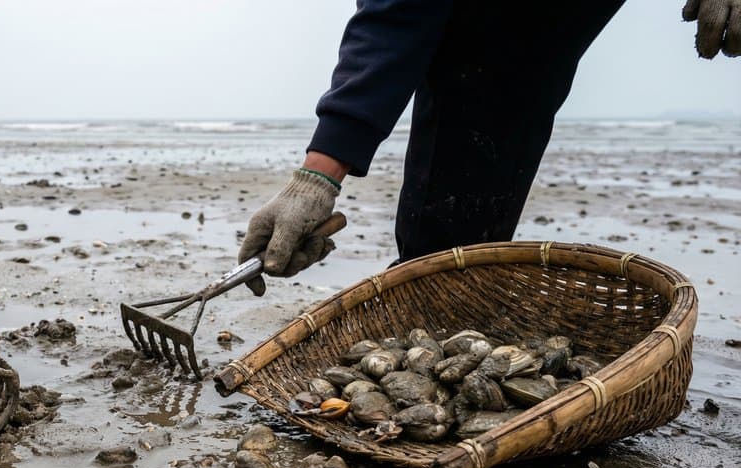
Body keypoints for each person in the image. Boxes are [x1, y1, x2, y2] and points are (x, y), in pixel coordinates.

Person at [237, 0, 740, 297]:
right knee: (448, 256)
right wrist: (318, 178)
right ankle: (449, 295)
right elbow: (395, 18)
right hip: (505, 28)